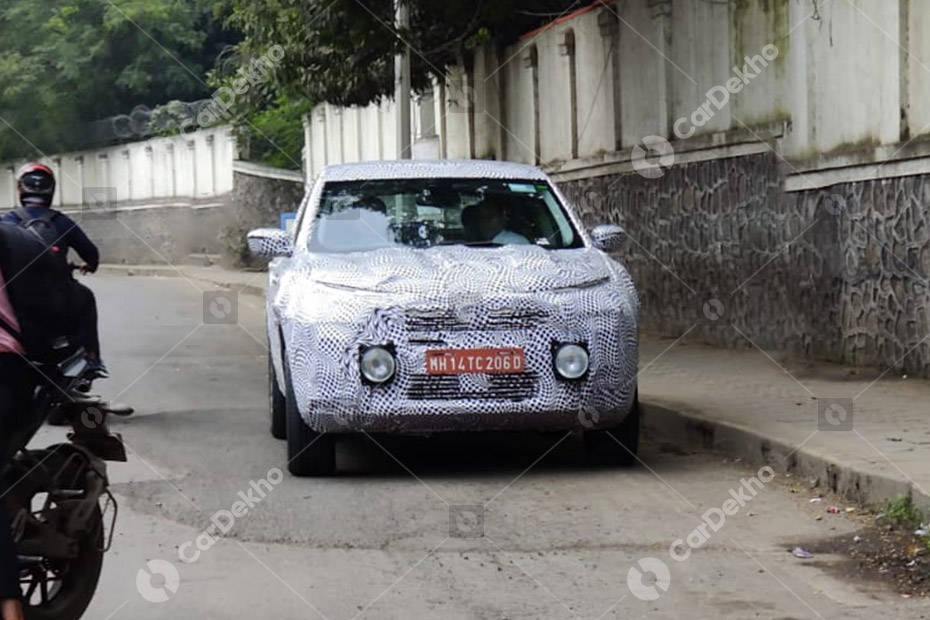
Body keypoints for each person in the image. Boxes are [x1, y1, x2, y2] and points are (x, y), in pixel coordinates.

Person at [2, 163, 106, 376]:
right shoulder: (61, 222)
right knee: (87, 297)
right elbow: (91, 254)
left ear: (20, 189)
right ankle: (92, 357)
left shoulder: (8, 221)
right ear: (51, 189)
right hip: (58, 294)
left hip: (14, 296)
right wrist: (90, 266)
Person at [464, 198, 530, 245]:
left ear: (502, 218)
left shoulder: (516, 242)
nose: (486, 221)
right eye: (481, 217)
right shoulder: (467, 242)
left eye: (490, 216)